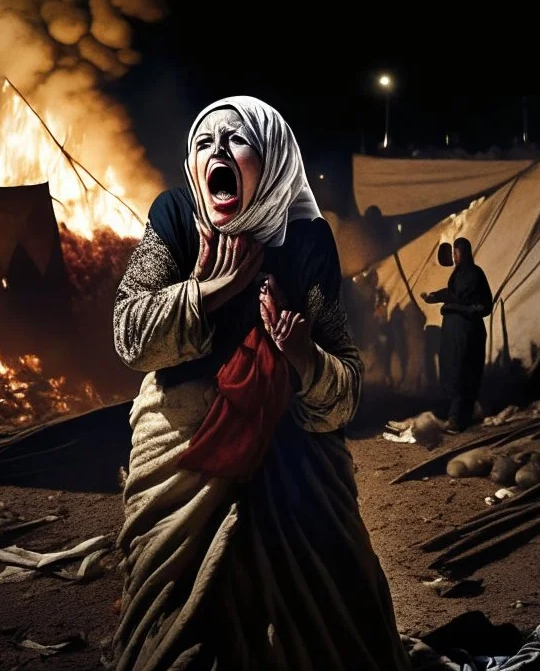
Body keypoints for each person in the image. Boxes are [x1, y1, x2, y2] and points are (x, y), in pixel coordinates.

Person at [112, 96, 411, 670]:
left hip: (292, 454)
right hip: (183, 453)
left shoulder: (306, 242)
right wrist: (210, 290)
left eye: (235, 140)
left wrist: (301, 354)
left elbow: (344, 388)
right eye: (205, 142)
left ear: (271, 158)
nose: (216, 151)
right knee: (178, 631)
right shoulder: (176, 218)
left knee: (334, 621)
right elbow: (129, 336)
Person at [421, 237, 493, 433]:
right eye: (453, 252)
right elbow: (453, 294)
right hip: (453, 331)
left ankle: (458, 418)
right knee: (451, 369)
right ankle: (453, 411)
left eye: (457, 252)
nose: (454, 255)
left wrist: (455, 307)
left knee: (464, 371)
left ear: (465, 252)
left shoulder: (475, 274)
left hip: (467, 331)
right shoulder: (458, 274)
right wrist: (435, 296)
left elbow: (479, 304)